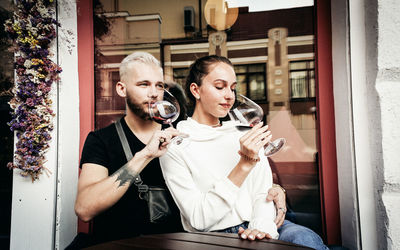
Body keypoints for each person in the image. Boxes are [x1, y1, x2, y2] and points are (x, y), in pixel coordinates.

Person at [70, 52, 287, 248]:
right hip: (118, 242)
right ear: (121, 88)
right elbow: (85, 209)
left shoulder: (182, 132)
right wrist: (144, 156)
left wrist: (274, 187)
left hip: (175, 241)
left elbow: (222, 169)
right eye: (144, 84)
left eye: (159, 85)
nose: (154, 93)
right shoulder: (102, 139)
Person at [159, 55, 329, 249]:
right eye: (220, 86)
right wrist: (244, 164)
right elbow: (199, 219)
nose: (230, 95)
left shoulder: (242, 132)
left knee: (306, 240)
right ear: (196, 90)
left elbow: (262, 192)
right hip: (215, 237)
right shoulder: (176, 145)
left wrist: (261, 228)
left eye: (232, 88)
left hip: (263, 224)